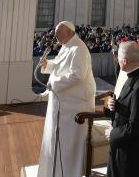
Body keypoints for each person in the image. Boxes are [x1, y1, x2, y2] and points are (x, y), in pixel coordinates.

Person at [37, 21, 96, 177]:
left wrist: (54, 82)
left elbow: (77, 75)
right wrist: (47, 65)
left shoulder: (79, 48)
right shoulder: (67, 45)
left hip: (74, 106)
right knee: (57, 141)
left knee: (67, 144)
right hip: (63, 103)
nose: (55, 36)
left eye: (59, 33)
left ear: (69, 32)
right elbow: (60, 65)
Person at [105, 41, 139, 177]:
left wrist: (112, 133)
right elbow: (128, 105)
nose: (117, 60)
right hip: (122, 147)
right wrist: (113, 105)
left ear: (125, 61)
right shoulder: (132, 76)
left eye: (118, 58)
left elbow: (136, 126)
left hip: (131, 156)